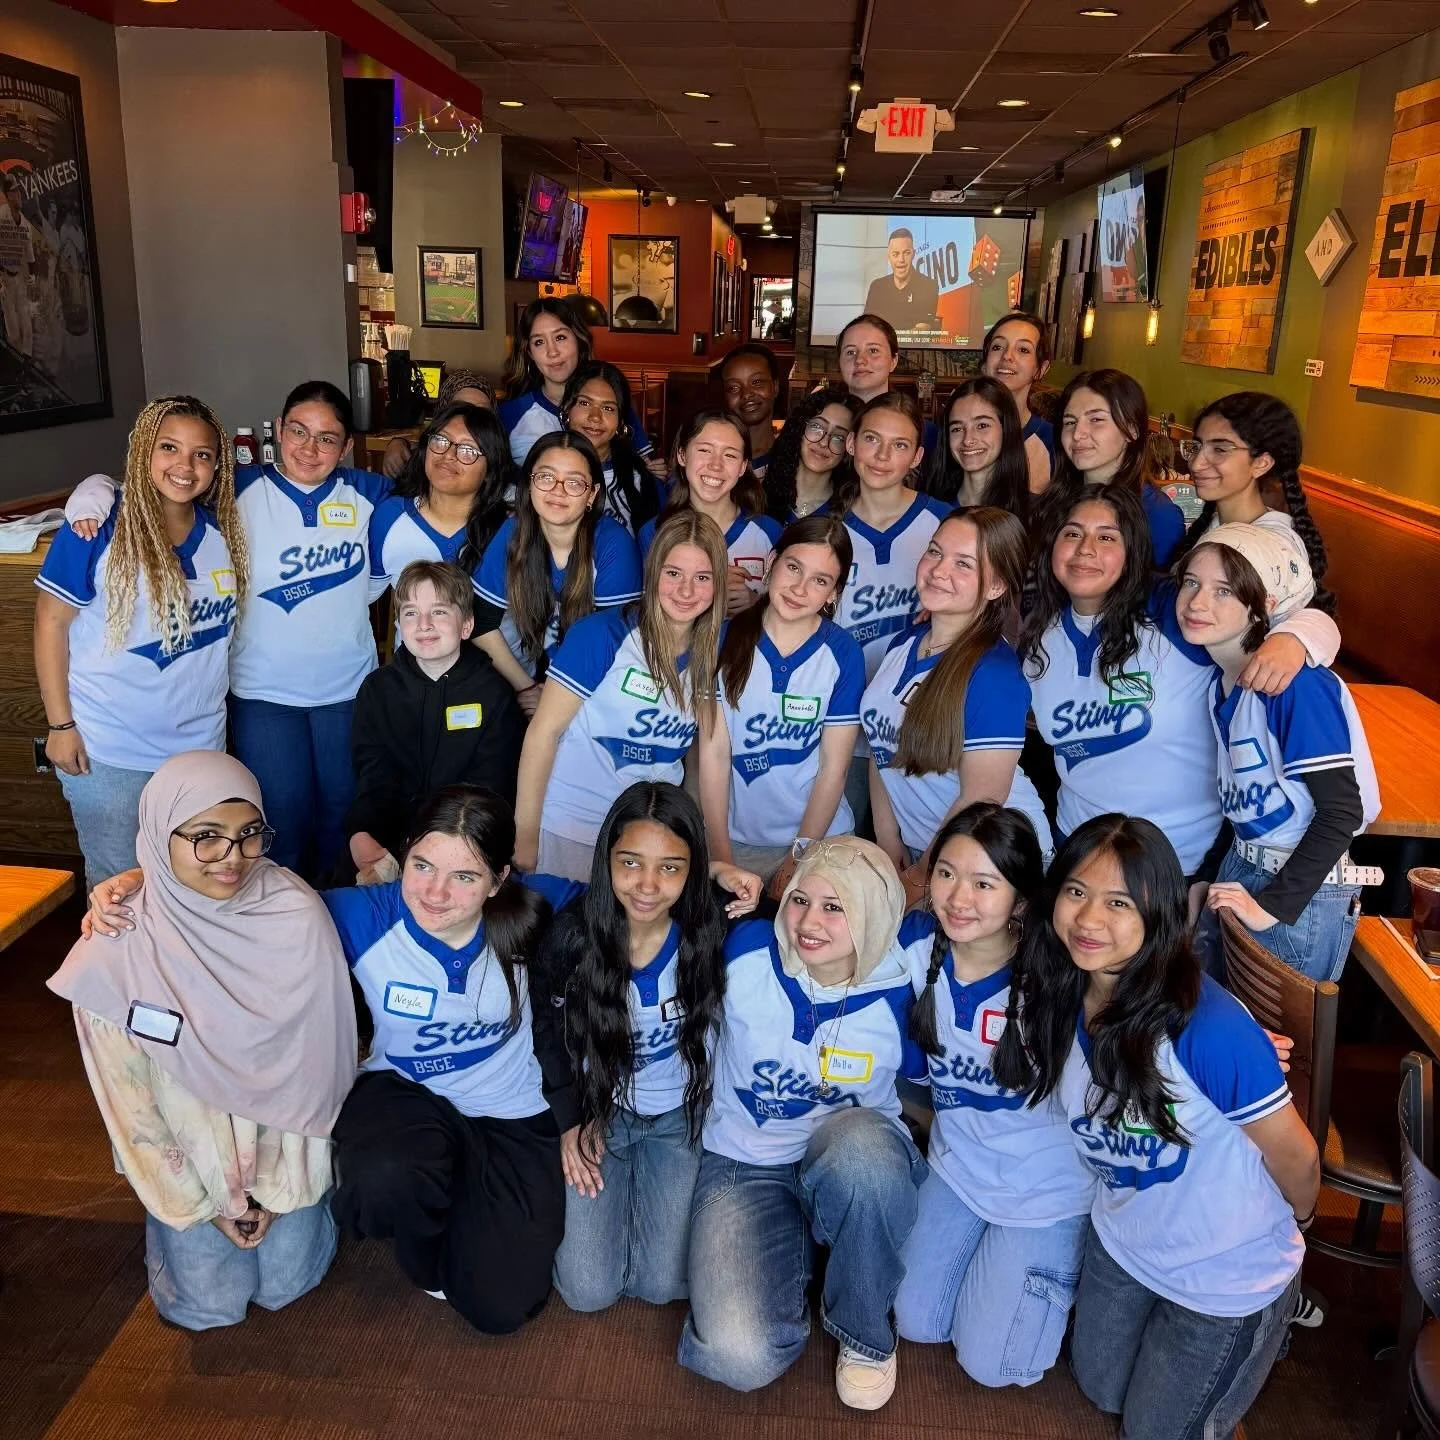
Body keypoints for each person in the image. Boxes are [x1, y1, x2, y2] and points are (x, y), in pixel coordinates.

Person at [992, 814, 1320, 1440]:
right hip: (1126, 1241)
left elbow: (1300, 1162)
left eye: (1118, 902)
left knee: (1154, 1432)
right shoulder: (1061, 995)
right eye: (1077, 892)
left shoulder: (1208, 1028)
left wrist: (1297, 1224)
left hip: (1225, 1276)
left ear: (1159, 911)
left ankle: (1270, 1319)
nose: (1089, 921)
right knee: (1099, 1386)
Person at [49, 752, 357, 1330]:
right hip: (190, 1165)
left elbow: (320, 1069)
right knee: (206, 1308)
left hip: (286, 1156)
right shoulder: (115, 948)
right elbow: (131, 1110)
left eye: (248, 835)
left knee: (288, 1284)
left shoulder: (293, 912)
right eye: (206, 837)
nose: (232, 858)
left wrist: (270, 1192)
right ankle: (174, 1234)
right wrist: (206, 1205)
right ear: (161, 835)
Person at [62, 380, 390, 879]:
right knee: (278, 823)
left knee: (345, 822)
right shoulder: (234, 489)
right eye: (298, 431)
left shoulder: (370, 493)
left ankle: (336, 934)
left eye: (327, 438)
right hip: (261, 694)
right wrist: (94, 490)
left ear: (346, 447)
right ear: (278, 430)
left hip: (348, 692)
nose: (310, 447)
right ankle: (280, 930)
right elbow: (159, 482)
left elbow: (431, 503)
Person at [677, 836, 927, 1410]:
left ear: (874, 911)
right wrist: (717, 868)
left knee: (864, 1156)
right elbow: (656, 887)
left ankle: (864, 1329)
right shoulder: (744, 944)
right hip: (745, 1162)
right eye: (798, 900)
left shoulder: (904, 979)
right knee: (739, 1358)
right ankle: (816, 1255)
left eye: (836, 907)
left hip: (845, 1156)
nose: (808, 923)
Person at [324, 786, 579, 1333]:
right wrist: (137, 884)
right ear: (405, 853)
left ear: (499, 880)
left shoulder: (536, 907)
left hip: (513, 1109)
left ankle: (462, 1191)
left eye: (464, 877)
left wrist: (722, 877)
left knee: (500, 1308)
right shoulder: (364, 915)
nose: (436, 893)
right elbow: (250, 905)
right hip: (407, 1091)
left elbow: (636, 900)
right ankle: (426, 1218)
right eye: (423, 865)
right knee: (379, 1182)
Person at [1021, 487, 1340, 891]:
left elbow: (1303, 614)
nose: (1086, 548)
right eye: (1072, 533)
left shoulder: (1172, 610)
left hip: (1178, 867)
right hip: (1078, 853)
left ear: (1133, 549)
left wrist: (1294, 639)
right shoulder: (1039, 638)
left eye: (1106, 537)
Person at [894, 804, 1091, 1387]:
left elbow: (1143, 991)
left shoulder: (1059, 973)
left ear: (1022, 901)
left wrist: (1226, 1027)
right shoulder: (915, 945)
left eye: (985, 883)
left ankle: (1058, 1272)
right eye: (947, 873)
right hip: (958, 1169)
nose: (959, 897)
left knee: (996, 1366)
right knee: (915, 1321)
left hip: (1045, 1192)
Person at [534, 783, 732, 1314]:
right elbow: (546, 1030)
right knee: (586, 1291)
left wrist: (732, 882)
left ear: (693, 869)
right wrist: (568, 1120)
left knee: (664, 1284)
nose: (647, 886)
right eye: (631, 863)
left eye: (671, 867)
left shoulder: (711, 927)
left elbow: (799, 923)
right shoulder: (570, 938)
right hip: (602, 1110)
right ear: (606, 860)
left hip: (678, 1115)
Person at [35, 395, 246, 890]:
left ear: (217, 465)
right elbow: (50, 624)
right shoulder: (97, 529)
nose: (185, 466)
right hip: (111, 752)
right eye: (169, 447)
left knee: (195, 884)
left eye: (202, 454)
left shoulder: (221, 536)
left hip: (199, 750)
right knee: (118, 889)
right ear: (143, 451)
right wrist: (59, 726)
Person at [1178, 526, 1379, 981]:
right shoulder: (1222, 681)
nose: (1197, 603)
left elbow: (1342, 812)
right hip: (1244, 865)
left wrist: (1273, 907)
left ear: (1264, 606)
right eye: (1191, 582)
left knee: (1277, 1046)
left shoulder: (1297, 686)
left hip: (1300, 890)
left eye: (1224, 591)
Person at [513, 511, 731, 880]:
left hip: (651, 841)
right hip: (575, 827)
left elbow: (697, 757)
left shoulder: (717, 648)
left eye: (703, 578)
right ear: (653, 571)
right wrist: (525, 836)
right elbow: (543, 733)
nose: (686, 590)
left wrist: (695, 837)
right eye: (673, 573)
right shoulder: (602, 635)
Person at [864, 509, 1052, 900]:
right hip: (924, 852)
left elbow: (980, 801)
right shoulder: (905, 643)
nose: (938, 569)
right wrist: (887, 840)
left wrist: (921, 876)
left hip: (985, 862)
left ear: (996, 585)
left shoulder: (993, 674)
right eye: (935, 551)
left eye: (963, 563)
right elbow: (881, 748)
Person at [704, 516, 865, 887]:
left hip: (819, 841)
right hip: (737, 840)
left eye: (820, 580)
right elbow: (713, 755)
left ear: (835, 593)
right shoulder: (722, 640)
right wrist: (722, 855)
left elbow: (833, 770)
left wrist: (799, 859)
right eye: (793, 567)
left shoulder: (842, 653)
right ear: (772, 562)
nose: (800, 588)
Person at [347, 561, 525, 883]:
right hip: (391, 838)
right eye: (411, 613)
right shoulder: (378, 690)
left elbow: (492, 787)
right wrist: (363, 831)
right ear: (400, 623)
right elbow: (373, 775)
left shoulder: (493, 693)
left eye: (440, 612)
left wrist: (436, 847)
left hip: (465, 839)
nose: (424, 624)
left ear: (467, 625)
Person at [833, 390, 949, 828]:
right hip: (844, 729)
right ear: (851, 444)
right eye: (872, 440)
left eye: (900, 445)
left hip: (925, 729)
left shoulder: (946, 524)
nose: (883, 456)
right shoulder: (827, 529)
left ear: (917, 455)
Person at [473, 431, 642, 715]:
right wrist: (526, 688)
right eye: (546, 477)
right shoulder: (513, 532)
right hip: (525, 682)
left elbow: (618, 642)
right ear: (529, 483)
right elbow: (481, 622)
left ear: (592, 494)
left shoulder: (612, 541)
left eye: (575, 482)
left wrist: (554, 698)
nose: (558, 490)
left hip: (595, 689)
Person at [1176, 390, 1335, 613]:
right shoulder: (1217, 525)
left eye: (1220, 449)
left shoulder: (1269, 546)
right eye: (1197, 447)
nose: (1196, 464)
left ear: (1261, 463)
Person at [639, 410, 780, 616]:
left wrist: (757, 603)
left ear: (742, 467)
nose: (716, 465)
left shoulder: (769, 531)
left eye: (730, 455)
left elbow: (785, 611)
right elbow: (647, 613)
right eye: (705, 450)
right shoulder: (654, 532)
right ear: (682, 455)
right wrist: (712, 584)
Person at [1046, 369, 1187, 567]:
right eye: (1070, 422)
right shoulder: (1055, 498)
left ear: (1132, 430)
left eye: (1096, 420)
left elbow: (1158, 590)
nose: (1077, 434)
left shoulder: (1157, 514)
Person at [499, 297, 660, 470]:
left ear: (579, 340)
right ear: (529, 353)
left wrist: (652, 473)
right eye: (539, 342)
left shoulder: (613, 402)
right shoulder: (510, 414)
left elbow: (646, 470)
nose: (552, 352)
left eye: (560, 337)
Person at [370, 402, 509, 600]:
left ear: (490, 468)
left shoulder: (510, 529)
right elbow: (362, 599)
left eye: (468, 450)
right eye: (441, 441)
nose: (448, 455)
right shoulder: (390, 516)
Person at [560, 360, 663, 537]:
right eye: (585, 403)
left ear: (620, 422)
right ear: (567, 409)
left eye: (608, 408)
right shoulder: (543, 471)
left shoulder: (643, 480)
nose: (595, 417)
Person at [923, 376, 1032, 520]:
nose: (968, 440)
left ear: (1006, 429)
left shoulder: (1035, 514)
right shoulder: (929, 511)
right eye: (957, 428)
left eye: (982, 425)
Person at [761, 383, 860, 523]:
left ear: (849, 448)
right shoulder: (757, 497)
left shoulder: (850, 514)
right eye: (816, 427)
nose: (824, 442)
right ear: (799, 428)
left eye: (838, 437)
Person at [981, 311, 1054, 496]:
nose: (1007, 356)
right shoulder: (956, 432)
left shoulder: (1053, 441)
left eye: (1023, 350)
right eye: (997, 347)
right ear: (984, 364)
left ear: (1040, 369)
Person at [380, 369, 495, 480]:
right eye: (460, 410)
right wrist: (398, 444)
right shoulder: (418, 460)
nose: (470, 420)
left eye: (481, 413)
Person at [863, 229, 941, 334]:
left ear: (913, 254)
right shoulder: (877, 286)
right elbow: (867, 326)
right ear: (889, 256)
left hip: (913, 349)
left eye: (906, 253)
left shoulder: (929, 286)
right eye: (895, 254)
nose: (901, 260)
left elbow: (922, 329)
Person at [721, 342, 781, 477]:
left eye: (756, 382)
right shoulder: (716, 459)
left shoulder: (791, 456)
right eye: (734, 388)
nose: (747, 394)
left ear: (775, 387)